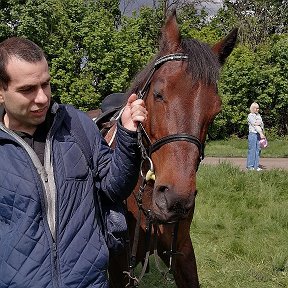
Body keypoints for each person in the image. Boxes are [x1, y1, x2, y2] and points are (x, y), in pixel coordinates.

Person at [0, 37, 147, 287]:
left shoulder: (76, 125)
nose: (42, 98)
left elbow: (114, 187)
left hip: (88, 281)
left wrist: (127, 136)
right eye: (27, 89)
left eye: (45, 84)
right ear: (1, 93)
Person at [246, 102, 265, 171]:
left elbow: (261, 124)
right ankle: (250, 166)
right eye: (256, 108)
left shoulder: (258, 115)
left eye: (258, 108)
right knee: (252, 150)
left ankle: (256, 166)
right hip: (253, 134)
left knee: (258, 150)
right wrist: (259, 124)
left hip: (259, 134)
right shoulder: (250, 115)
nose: (258, 109)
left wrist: (262, 133)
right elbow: (255, 124)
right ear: (253, 108)